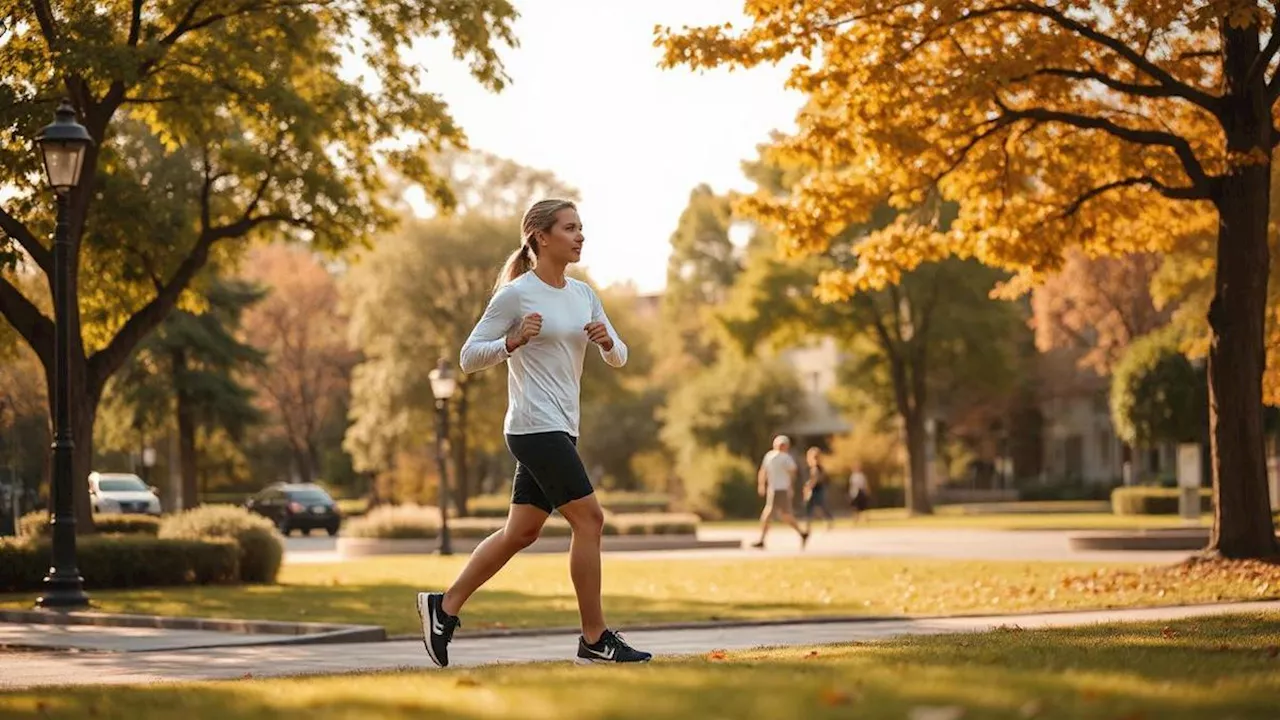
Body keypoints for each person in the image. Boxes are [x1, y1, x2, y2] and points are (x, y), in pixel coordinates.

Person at [416, 199, 652, 668]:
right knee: (591, 521)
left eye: (581, 228)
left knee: (520, 532)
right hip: (532, 426)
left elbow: (620, 354)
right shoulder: (516, 295)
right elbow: (468, 356)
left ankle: (443, 608)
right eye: (570, 228)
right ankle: (594, 638)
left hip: (563, 426)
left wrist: (608, 343)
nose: (580, 236)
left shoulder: (583, 294)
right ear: (541, 237)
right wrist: (513, 340)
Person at [751, 435, 810, 549]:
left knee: (771, 515)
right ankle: (802, 533)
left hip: (780, 489)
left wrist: (790, 486)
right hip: (773, 489)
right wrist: (762, 484)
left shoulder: (785, 458)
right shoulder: (771, 456)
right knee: (784, 515)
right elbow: (763, 471)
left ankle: (762, 539)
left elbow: (792, 472)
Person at [803, 447, 834, 533]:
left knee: (814, 506)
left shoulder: (816, 468)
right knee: (817, 507)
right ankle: (825, 522)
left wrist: (808, 487)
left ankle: (810, 524)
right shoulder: (819, 467)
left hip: (816, 489)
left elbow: (815, 479)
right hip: (819, 488)